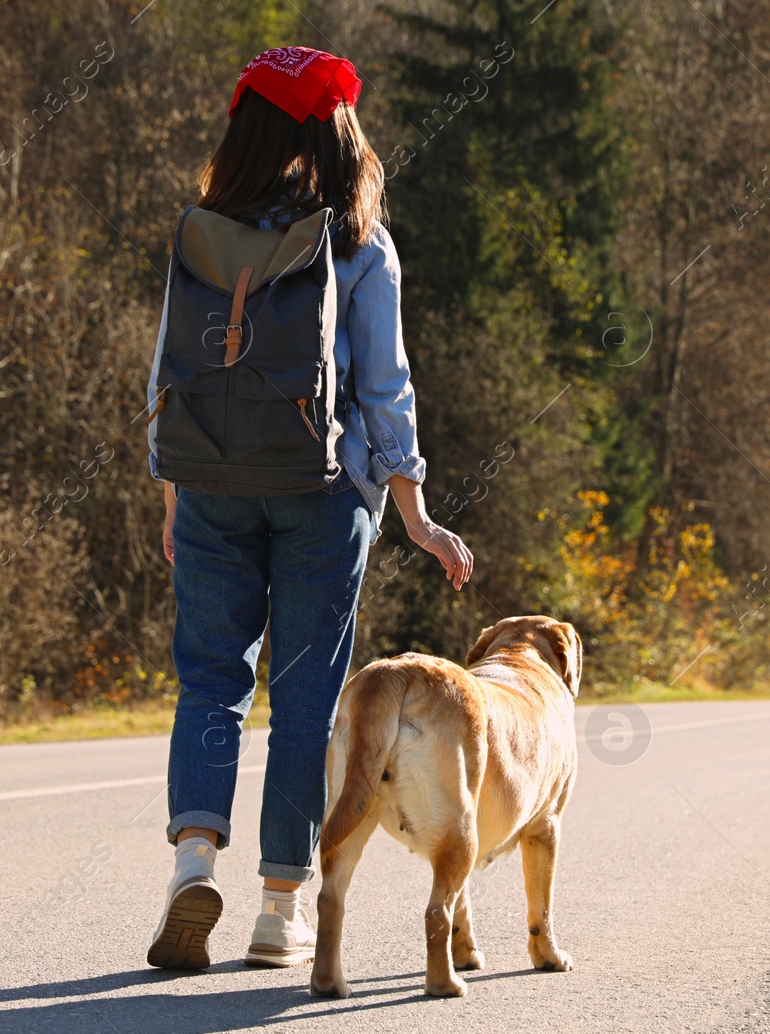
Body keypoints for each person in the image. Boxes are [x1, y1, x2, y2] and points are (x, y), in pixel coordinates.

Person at [144, 46, 473, 970]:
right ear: (339, 130)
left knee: (210, 677)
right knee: (303, 698)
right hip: (325, 494)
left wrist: (174, 487)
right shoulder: (360, 237)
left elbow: (168, 366)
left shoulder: (201, 228)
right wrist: (413, 510)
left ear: (243, 126)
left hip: (209, 477)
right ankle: (279, 906)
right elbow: (385, 385)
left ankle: (193, 862)